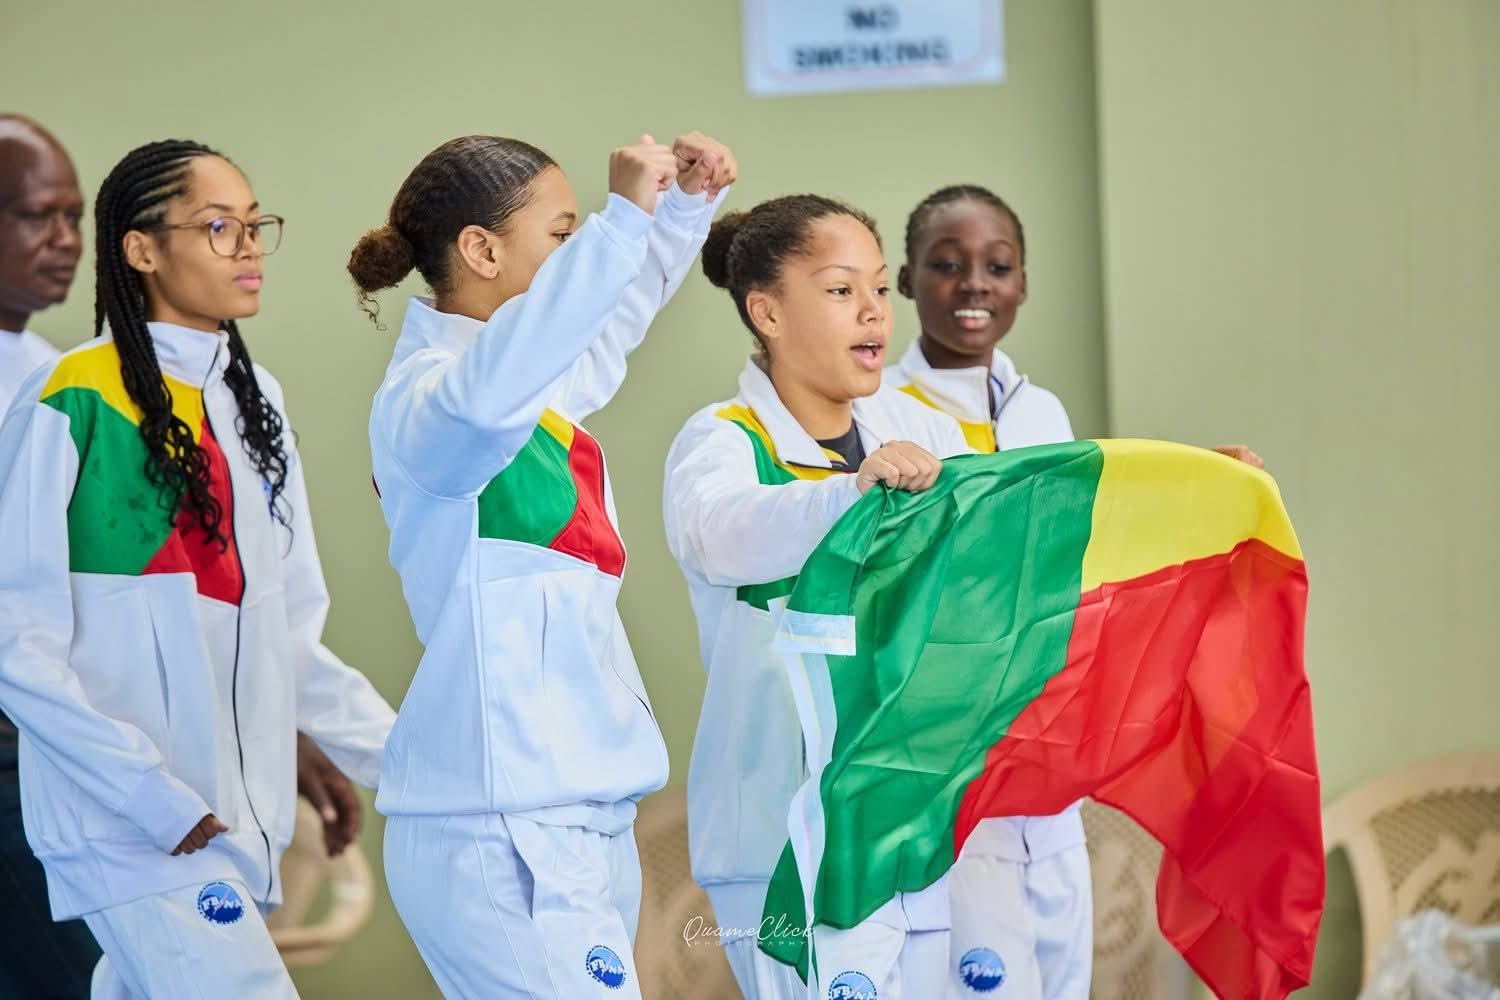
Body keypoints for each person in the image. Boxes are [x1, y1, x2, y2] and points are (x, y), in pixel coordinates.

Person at [0, 138, 396, 999]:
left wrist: (408, 762)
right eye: (219, 227)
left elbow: (289, 637)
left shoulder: (256, 404)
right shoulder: (70, 397)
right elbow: (14, 643)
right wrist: (147, 793)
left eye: (256, 226)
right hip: (127, 819)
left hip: (217, 822)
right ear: (142, 250)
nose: (248, 247)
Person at [351, 130, 734, 998]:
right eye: (562, 237)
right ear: (480, 250)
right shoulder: (434, 404)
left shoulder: (528, 394)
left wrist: (674, 214)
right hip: (495, 816)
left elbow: (606, 319)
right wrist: (623, 220)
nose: (581, 256)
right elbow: (511, 371)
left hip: (581, 803)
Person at [890, 183, 1263, 996]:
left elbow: (1094, 536)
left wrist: (1208, 490)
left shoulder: (1042, 412)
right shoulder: (885, 414)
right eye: (946, 265)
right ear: (905, 280)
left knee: (1060, 977)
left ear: (1023, 282)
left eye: (998, 266)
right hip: (952, 758)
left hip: (1048, 755)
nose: (974, 285)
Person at [663, 193, 976, 999]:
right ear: (766, 311)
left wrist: (1192, 496)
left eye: (879, 289)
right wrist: (853, 496)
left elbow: (1012, 530)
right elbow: (720, 533)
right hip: (779, 842)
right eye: (841, 291)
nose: (874, 313)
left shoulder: (924, 432)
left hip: (909, 822)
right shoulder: (724, 439)